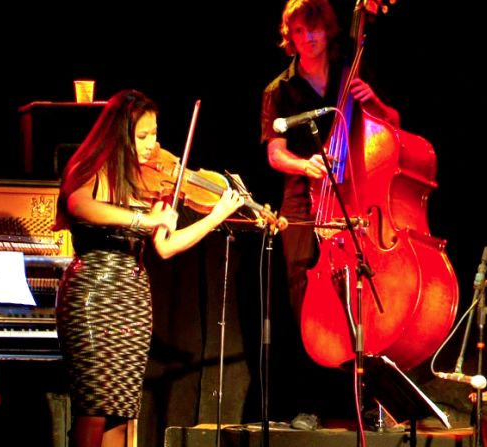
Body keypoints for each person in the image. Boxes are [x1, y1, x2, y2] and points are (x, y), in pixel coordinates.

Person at [54, 89, 248, 447]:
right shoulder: (90, 169)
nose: (152, 144)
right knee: (94, 407)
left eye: (154, 134)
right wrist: (143, 220)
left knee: (121, 409)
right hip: (93, 292)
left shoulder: (146, 179)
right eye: (142, 136)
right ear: (119, 134)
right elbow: (79, 205)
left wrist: (217, 216)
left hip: (133, 295)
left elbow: (166, 244)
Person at [257, 0, 400, 425]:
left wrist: (374, 101)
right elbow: (275, 153)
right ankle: (312, 403)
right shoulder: (279, 90)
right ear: (291, 38)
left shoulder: (351, 74)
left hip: (354, 197)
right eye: (299, 32)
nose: (307, 38)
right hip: (304, 204)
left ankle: (370, 400)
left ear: (328, 31)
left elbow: (391, 126)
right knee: (309, 305)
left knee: (361, 298)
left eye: (313, 29)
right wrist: (306, 164)